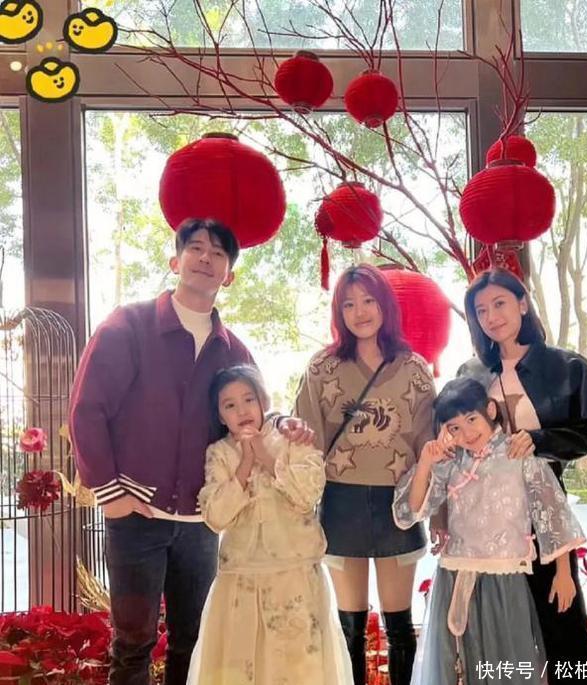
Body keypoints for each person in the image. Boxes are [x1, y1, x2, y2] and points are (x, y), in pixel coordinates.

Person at [69, 218, 311, 685]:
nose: (205, 258)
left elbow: (254, 413)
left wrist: (284, 423)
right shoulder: (128, 325)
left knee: (194, 641)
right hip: (135, 515)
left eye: (218, 253)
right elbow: (87, 409)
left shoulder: (233, 350)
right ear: (175, 261)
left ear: (229, 275)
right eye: (196, 248)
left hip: (201, 522)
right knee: (132, 645)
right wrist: (110, 493)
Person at [456, 267, 587, 684]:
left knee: (561, 617)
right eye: (481, 310)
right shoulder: (470, 373)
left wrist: (538, 440)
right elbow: (454, 434)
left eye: (500, 303)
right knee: (500, 622)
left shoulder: (569, 367)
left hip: (542, 506)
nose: (491, 316)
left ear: (522, 303)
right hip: (487, 513)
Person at [393, 377, 586, 685]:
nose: (466, 433)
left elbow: (552, 512)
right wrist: (426, 462)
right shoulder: (451, 462)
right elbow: (413, 511)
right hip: (455, 575)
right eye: (455, 427)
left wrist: (564, 573)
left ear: (490, 411)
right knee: (464, 664)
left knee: (507, 663)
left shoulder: (518, 453)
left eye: (471, 419)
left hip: (505, 578)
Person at [295, 263, 436, 685]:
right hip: (341, 501)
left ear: (385, 305)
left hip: (398, 502)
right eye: (349, 304)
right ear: (338, 312)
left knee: (399, 625)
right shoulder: (321, 368)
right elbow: (306, 444)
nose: (360, 312)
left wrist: (436, 510)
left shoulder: (414, 368)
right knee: (349, 626)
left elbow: (428, 446)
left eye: (369, 300)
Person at [187, 364, 352, 685]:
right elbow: (216, 517)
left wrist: (265, 456)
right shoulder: (219, 454)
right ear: (220, 415)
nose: (242, 411)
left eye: (249, 399)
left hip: (295, 574)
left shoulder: (294, 439)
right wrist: (245, 466)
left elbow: (308, 496)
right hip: (241, 579)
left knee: (300, 668)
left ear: (263, 400)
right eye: (229, 405)